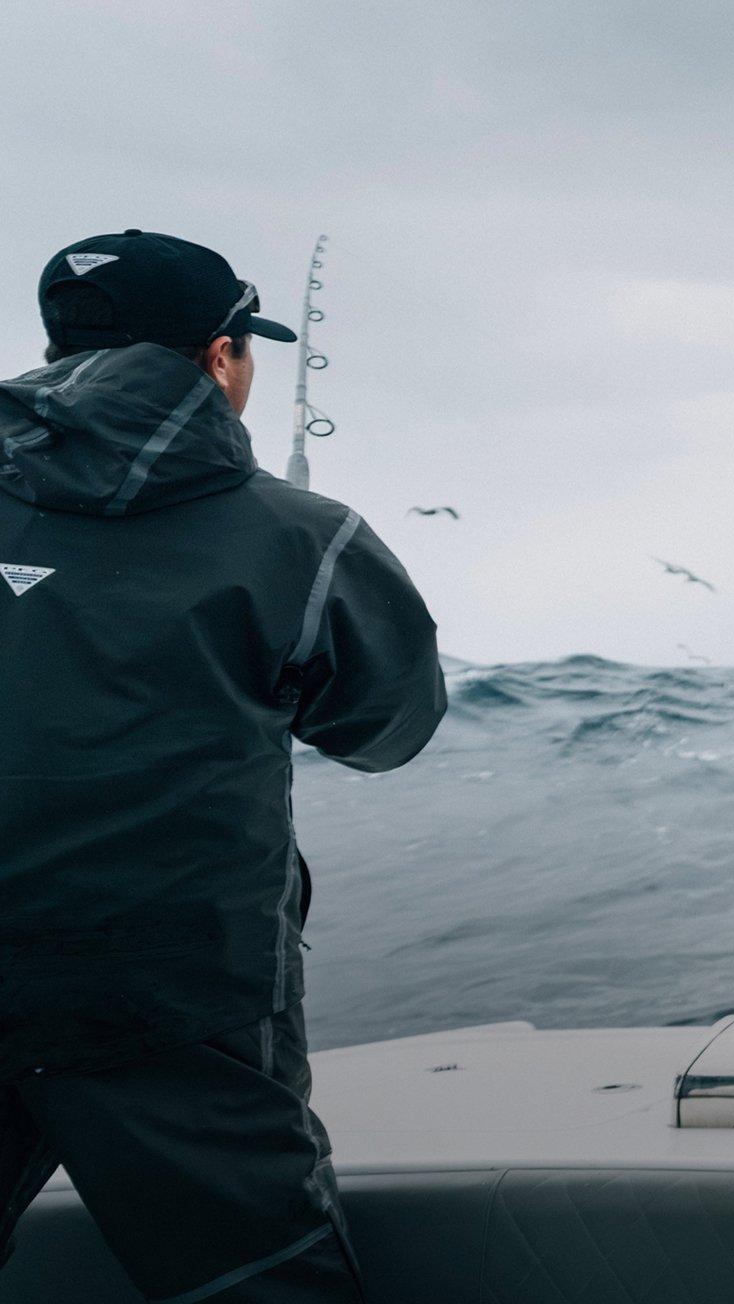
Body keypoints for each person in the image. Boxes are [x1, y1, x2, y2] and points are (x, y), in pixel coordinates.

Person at [0, 231, 446, 1300]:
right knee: (255, 1278)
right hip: (169, 993)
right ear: (218, 358)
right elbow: (388, 730)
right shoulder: (303, 536)